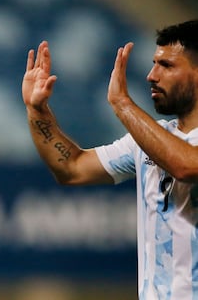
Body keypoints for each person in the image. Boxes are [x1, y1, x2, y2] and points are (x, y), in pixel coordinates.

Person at [22, 20, 198, 299]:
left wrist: (122, 103)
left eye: (166, 66)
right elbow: (72, 168)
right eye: (154, 63)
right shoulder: (151, 139)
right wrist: (37, 110)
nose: (152, 75)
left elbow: (186, 165)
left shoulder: (157, 141)